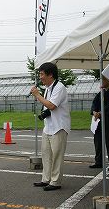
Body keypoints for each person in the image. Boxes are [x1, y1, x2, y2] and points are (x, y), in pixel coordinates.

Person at [30, 62, 70, 191]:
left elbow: (52, 106)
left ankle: (55, 181)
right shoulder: (48, 88)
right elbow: (48, 107)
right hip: (48, 127)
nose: (40, 77)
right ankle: (46, 179)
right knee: (46, 154)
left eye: (42, 74)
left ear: (50, 74)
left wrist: (37, 95)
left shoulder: (60, 87)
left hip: (59, 127)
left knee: (57, 155)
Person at [89, 87, 109, 171]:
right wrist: (94, 111)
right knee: (98, 141)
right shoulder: (101, 92)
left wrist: (100, 112)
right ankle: (98, 161)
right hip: (99, 121)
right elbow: (94, 103)